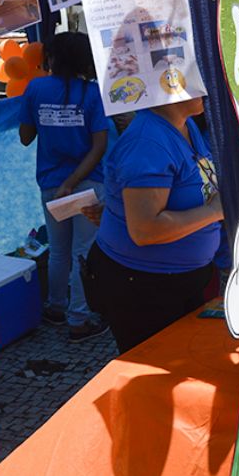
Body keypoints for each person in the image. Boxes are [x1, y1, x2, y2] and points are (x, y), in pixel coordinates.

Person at [82, 97, 224, 355]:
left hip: (177, 281)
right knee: (154, 375)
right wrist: (213, 212)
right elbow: (145, 230)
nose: (206, 86)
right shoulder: (147, 141)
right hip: (144, 288)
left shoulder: (185, 124)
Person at [19, 32, 110, 343]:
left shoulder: (35, 88)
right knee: (83, 251)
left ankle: (56, 308)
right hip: (87, 184)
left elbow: (25, 137)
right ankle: (79, 320)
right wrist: (73, 183)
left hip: (51, 184)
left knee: (58, 250)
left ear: (52, 58)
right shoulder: (93, 93)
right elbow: (99, 146)